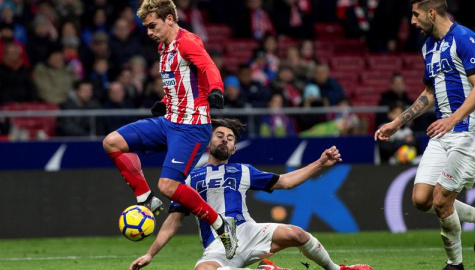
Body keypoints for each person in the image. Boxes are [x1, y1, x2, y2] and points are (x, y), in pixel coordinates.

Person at [129, 118, 373, 270]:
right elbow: (173, 222)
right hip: (218, 244)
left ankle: (337, 269)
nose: (225, 140)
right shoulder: (189, 179)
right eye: (220, 135)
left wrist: (320, 163)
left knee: (297, 233)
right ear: (208, 141)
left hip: (249, 231)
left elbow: (286, 182)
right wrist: (150, 254)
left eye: (230, 138)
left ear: (234, 148)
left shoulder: (243, 171)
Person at [102, 0, 237, 260]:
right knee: (112, 142)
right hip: (170, 121)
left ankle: (221, 225)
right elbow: (184, 83)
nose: (149, 32)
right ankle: (146, 199)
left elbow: (208, 67)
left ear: (170, 20)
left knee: (168, 185)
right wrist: (165, 104)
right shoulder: (164, 47)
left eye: (153, 26)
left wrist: (218, 89)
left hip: (191, 127)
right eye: (146, 27)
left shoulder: (188, 42)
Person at [375, 1, 475, 269]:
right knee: (421, 200)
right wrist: (397, 123)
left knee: (442, 199)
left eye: (416, 14)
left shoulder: (465, 38)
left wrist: (454, 118)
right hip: (442, 132)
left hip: (469, 131)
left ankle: (455, 264)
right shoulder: (428, 47)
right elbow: (428, 94)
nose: (412, 21)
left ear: (431, 13)